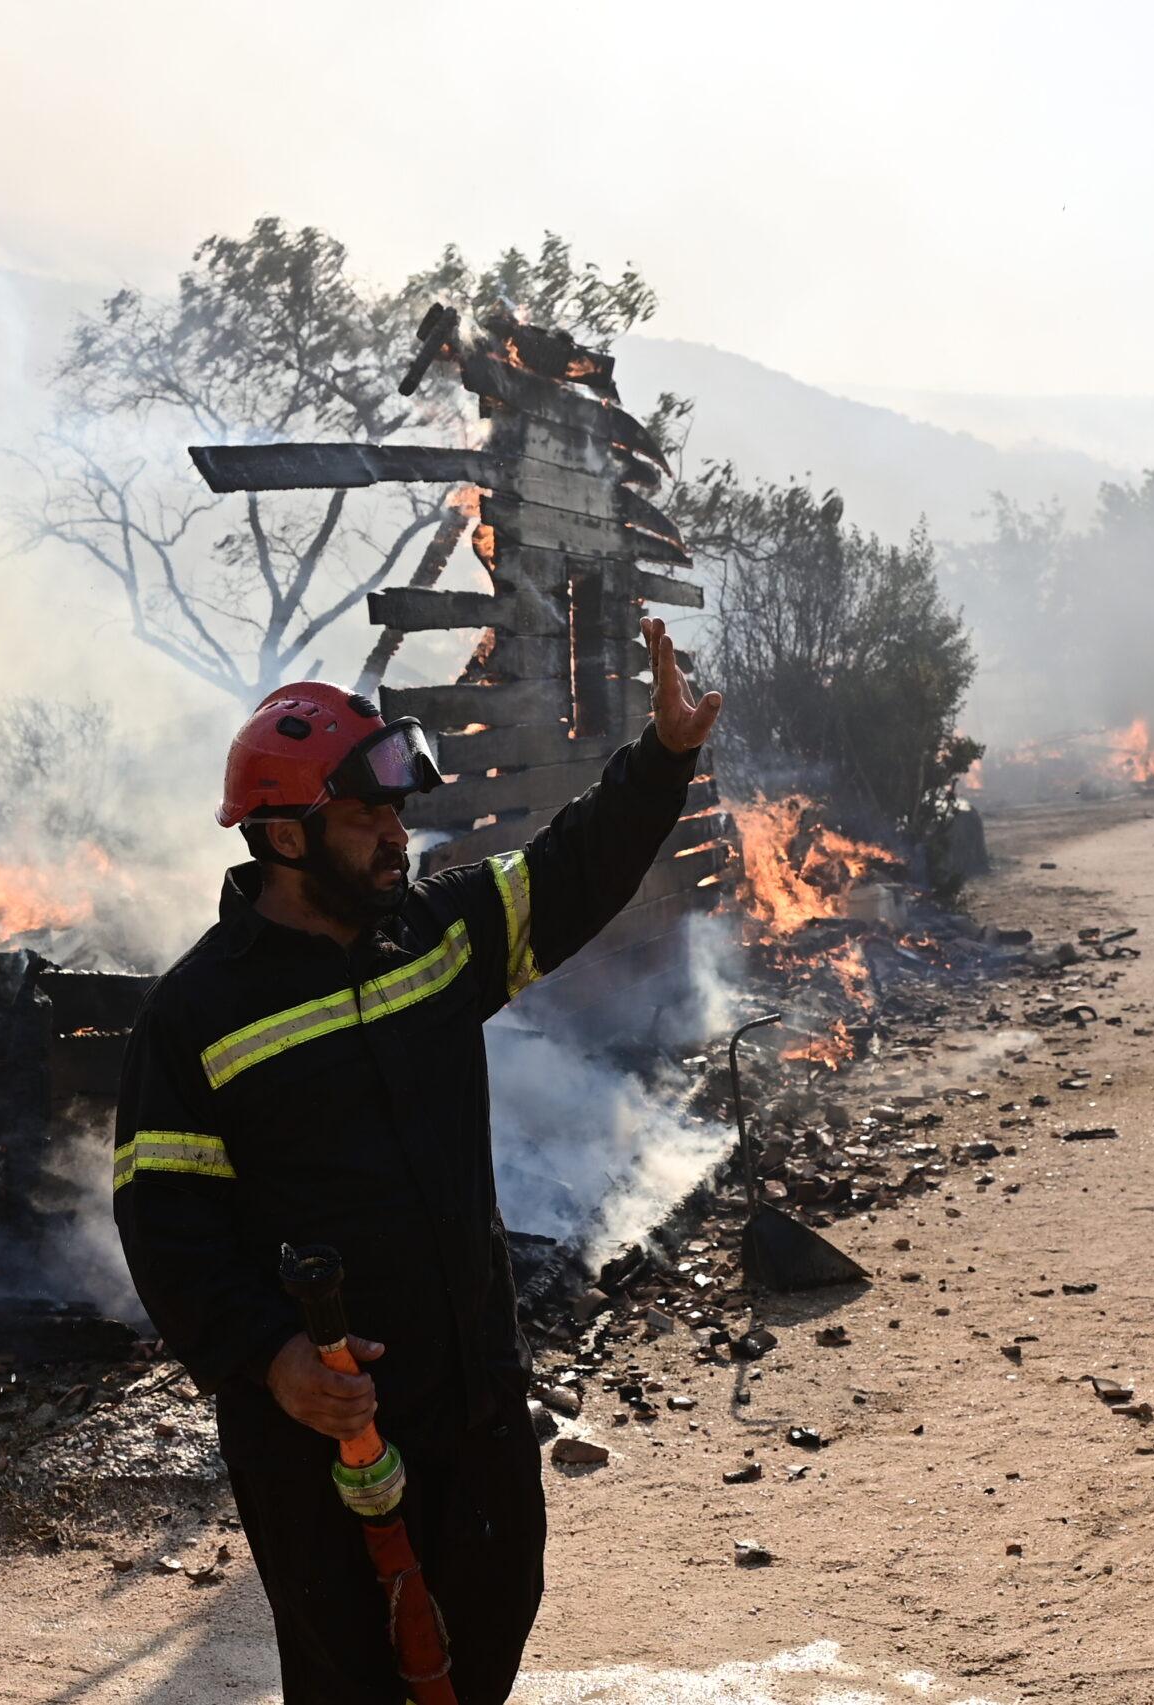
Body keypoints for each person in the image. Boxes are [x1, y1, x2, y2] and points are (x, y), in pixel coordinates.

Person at [112, 617, 722, 1704]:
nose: (397, 839)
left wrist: (661, 757)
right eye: (366, 817)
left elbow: (571, 869)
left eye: (397, 814)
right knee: (355, 1685)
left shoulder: (435, 934)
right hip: (320, 1445)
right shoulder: (194, 1015)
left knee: (476, 1653)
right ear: (287, 836)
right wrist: (274, 1360)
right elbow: (166, 1229)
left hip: (474, 1413)